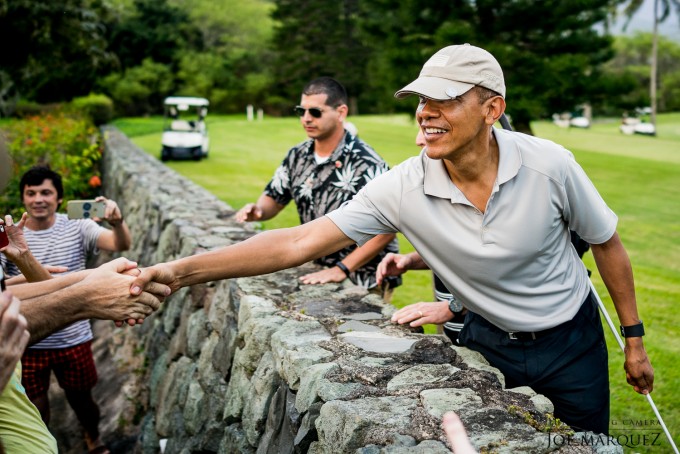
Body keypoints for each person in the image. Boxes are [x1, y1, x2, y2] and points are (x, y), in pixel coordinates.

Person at [131, 44, 653, 436]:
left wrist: (633, 340)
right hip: (485, 340)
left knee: (587, 444)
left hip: (572, 342)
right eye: (422, 99)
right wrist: (178, 272)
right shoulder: (403, 185)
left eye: (445, 99)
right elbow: (297, 242)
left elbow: (606, 243)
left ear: (492, 110)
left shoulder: (551, 166)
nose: (425, 112)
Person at [0, 165, 132, 454]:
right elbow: (4, 287)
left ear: (59, 198)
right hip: (28, 337)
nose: (38, 199)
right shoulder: (12, 236)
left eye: (46, 192)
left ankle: (93, 437)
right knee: (35, 405)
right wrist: (26, 270)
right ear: (22, 198)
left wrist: (118, 222)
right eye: (31, 193)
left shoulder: (78, 226)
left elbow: (120, 243)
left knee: (83, 399)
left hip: (74, 336)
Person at [235, 77, 401, 296]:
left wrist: (342, 268)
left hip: (363, 278)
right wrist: (258, 212)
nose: (306, 119)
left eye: (315, 112)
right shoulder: (297, 155)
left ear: (341, 112)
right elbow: (274, 198)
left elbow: (388, 226)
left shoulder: (368, 163)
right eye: (301, 111)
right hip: (316, 269)